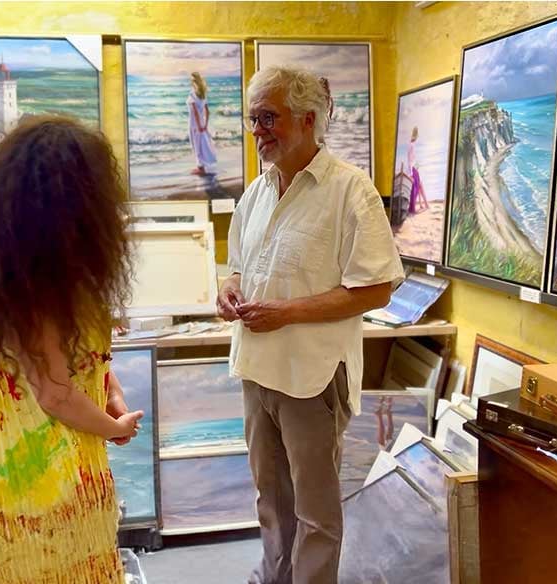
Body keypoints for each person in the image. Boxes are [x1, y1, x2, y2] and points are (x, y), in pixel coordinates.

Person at [218, 66, 404, 584]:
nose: (258, 131)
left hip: (312, 378)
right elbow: (237, 266)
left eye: (268, 118)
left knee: (315, 514)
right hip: (257, 370)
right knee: (271, 502)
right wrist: (229, 288)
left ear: (307, 119)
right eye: (253, 119)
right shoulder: (256, 193)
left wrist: (288, 313)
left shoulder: (350, 191)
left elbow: (377, 289)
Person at [0, 116, 142, 583]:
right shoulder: (37, 290)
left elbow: (85, 362)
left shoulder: (24, 275)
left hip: (29, 487)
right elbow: (56, 394)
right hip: (43, 495)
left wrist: (111, 391)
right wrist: (113, 426)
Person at [187, 71, 218, 176]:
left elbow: (195, 112)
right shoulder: (202, 94)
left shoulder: (192, 94)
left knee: (196, 145)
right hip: (202, 124)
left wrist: (199, 126)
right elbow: (207, 111)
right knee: (202, 145)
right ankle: (201, 167)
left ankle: (201, 168)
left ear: (194, 81)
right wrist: (205, 125)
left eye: (191, 80)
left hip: (194, 125)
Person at [407, 126, 429, 214]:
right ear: (415, 136)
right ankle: (423, 205)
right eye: (417, 136)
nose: (417, 137)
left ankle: (423, 204)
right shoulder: (411, 145)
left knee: (419, 186)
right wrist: (411, 173)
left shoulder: (412, 145)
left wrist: (417, 166)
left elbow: (412, 160)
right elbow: (409, 160)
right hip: (413, 169)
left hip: (415, 168)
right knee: (417, 187)